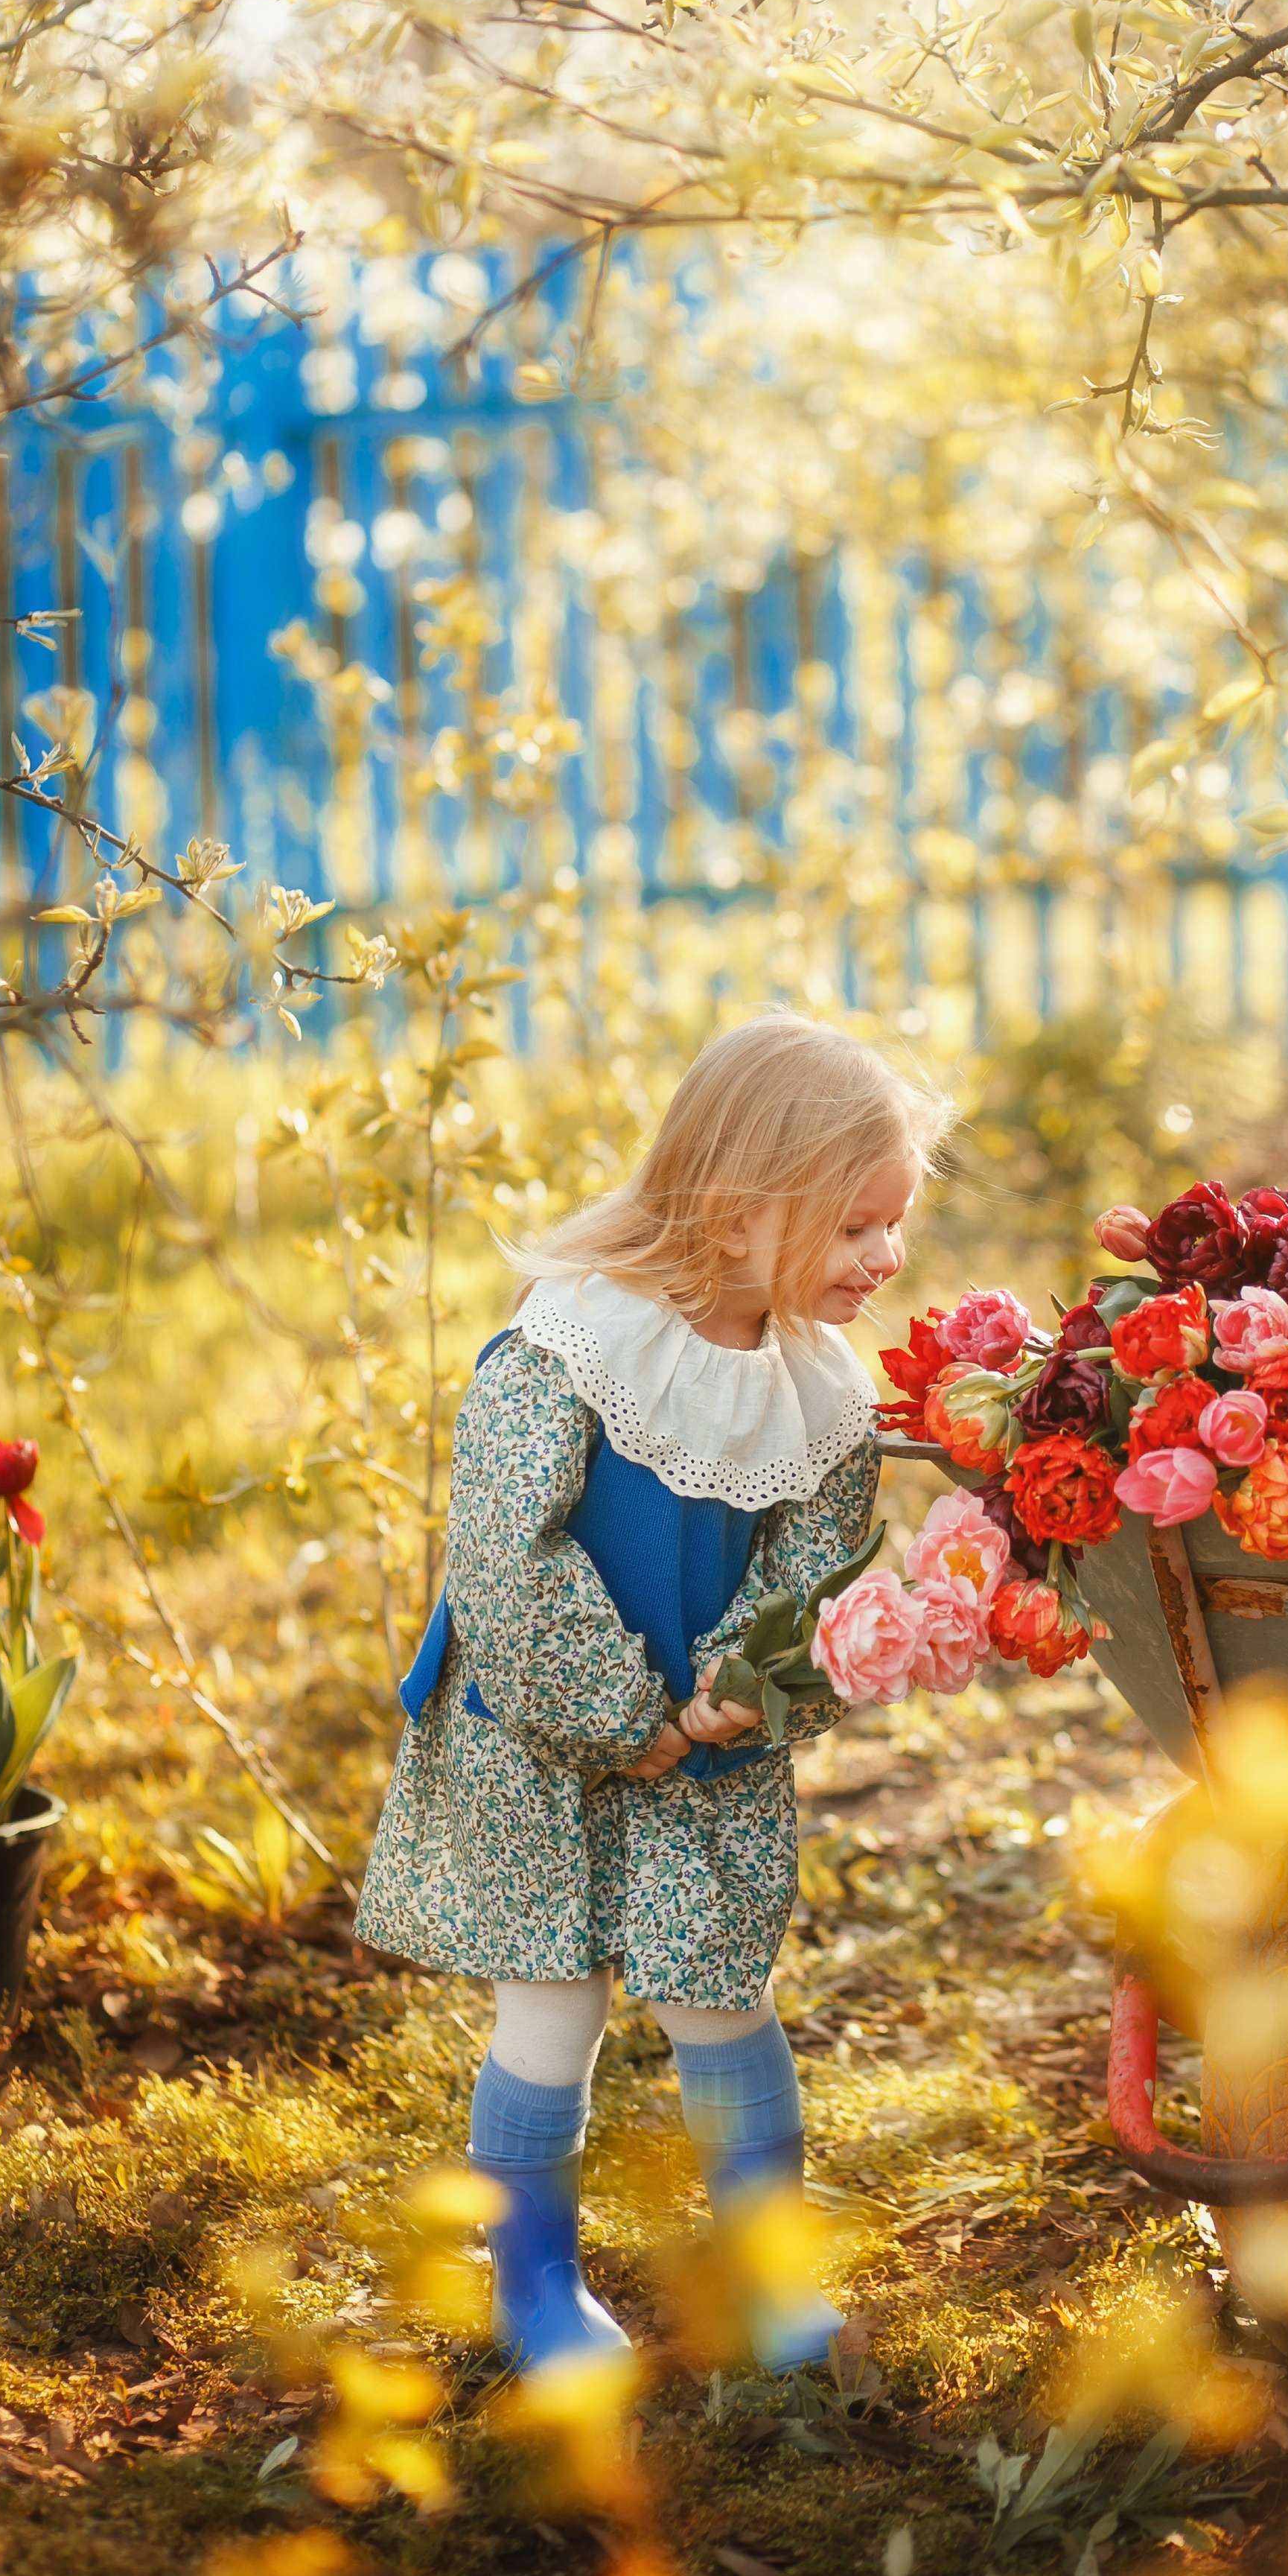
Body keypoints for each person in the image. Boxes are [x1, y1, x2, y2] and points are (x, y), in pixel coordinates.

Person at [355, 1015, 951, 2373]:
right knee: (551, 2006)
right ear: (743, 1218)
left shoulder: (821, 1391)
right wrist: (620, 1720)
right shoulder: (574, 1342)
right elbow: (511, 1546)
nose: (888, 1259)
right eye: (858, 1231)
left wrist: (736, 1701)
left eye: (892, 1226)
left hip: (707, 1757)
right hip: (545, 1737)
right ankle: (537, 2289)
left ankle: (760, 2276)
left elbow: (819, 1571)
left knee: (719, 1997)